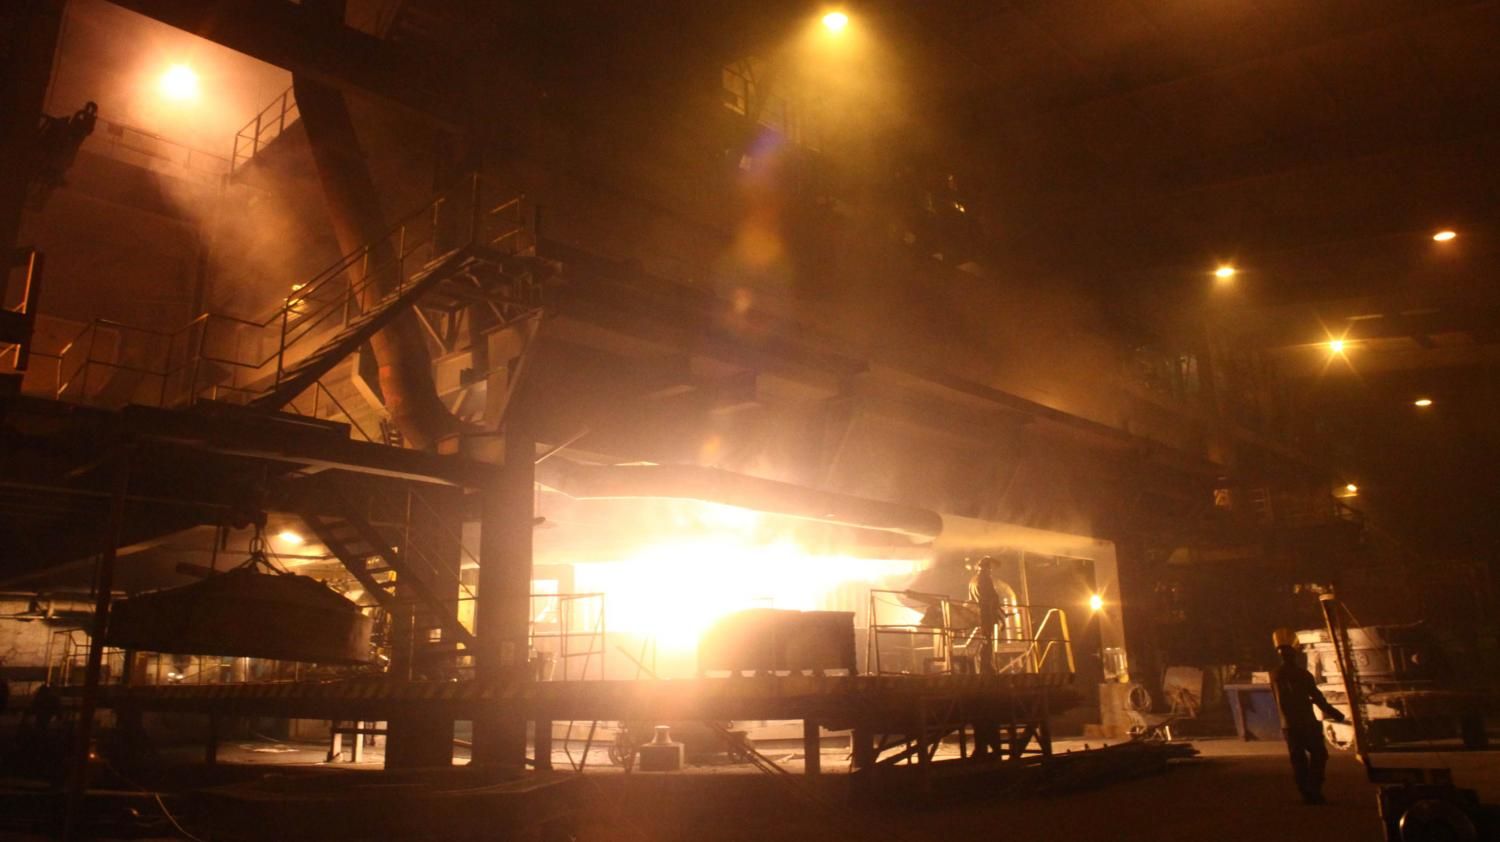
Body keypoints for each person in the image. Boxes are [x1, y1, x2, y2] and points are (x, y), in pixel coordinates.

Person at [1270, 629, 1346, 804]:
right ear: (1294, 655)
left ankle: (1305, 792)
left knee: (1298, 760)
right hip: (1306, 722)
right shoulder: (1302, 675)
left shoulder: (1275, 675)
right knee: (1319, 754)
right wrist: (1337, 715)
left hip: (1288, 725)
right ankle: (1314, 789)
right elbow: (1318, 698)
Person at [969, 557, 1001, 676]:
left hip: (978, 614)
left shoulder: (973, 580)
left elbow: (972, 599)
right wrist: (996, 609)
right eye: (991, 568)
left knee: (984, 641)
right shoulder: (985, 578)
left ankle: (984, 667)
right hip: (985, 614)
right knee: (987, 641)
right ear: (988, 567)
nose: (991, 571)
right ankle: (987, 668)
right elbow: (991, 596)